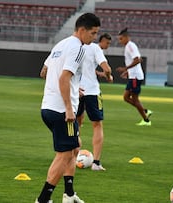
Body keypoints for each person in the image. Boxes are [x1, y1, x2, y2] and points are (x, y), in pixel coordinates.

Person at [36, 13, 100, 203]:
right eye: (93, 33)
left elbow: (44, 72)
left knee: (74, 147)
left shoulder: (60, 45)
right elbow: (64, 77)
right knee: (64, 154)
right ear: (82, 30)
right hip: (62, 111)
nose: (94, 37)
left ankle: (69, 194)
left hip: (48, 107)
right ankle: (43, 199)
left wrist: (73, 89)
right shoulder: (78, 47)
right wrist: (69, 108)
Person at [76, 33, 113, 171]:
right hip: (92, 91)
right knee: (97, 125)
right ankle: (96, 163)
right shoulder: (95, 48)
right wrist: (108, 76)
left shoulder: (74, 46)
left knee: (76, 123)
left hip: (76, 90)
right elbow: (107, 68)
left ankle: (73, 157)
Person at [116, 27, 152, 126]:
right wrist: (128, 72)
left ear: (126, 37)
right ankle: (145, 111)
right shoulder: (129, 46)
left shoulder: (130, 46)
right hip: (133, 76)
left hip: (135, 77)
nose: (120, 41)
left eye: (121, 39)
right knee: (126, 97)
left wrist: (125, 68)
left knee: (134, 99)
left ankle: (146, 120)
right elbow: (139, 59)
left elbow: (137, 60)